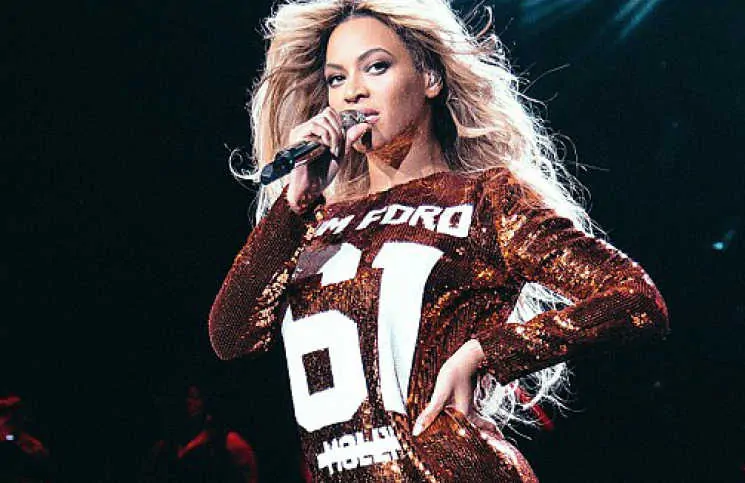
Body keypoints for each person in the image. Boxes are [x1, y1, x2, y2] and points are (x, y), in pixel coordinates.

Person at [209, 0, 669, 480]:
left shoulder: (486, 198)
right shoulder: (314, 222)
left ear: (429, 77)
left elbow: (635, 299)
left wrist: (488, 352)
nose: (353, 92)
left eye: (376, 67)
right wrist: (296, 204)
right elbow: (231, 337)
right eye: (336, 79)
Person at [141, 385, 258, 483]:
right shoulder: (163, 447)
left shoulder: (227, 442)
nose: (188, 402)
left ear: (205, 402)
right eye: (184, 397)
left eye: (194, 397)